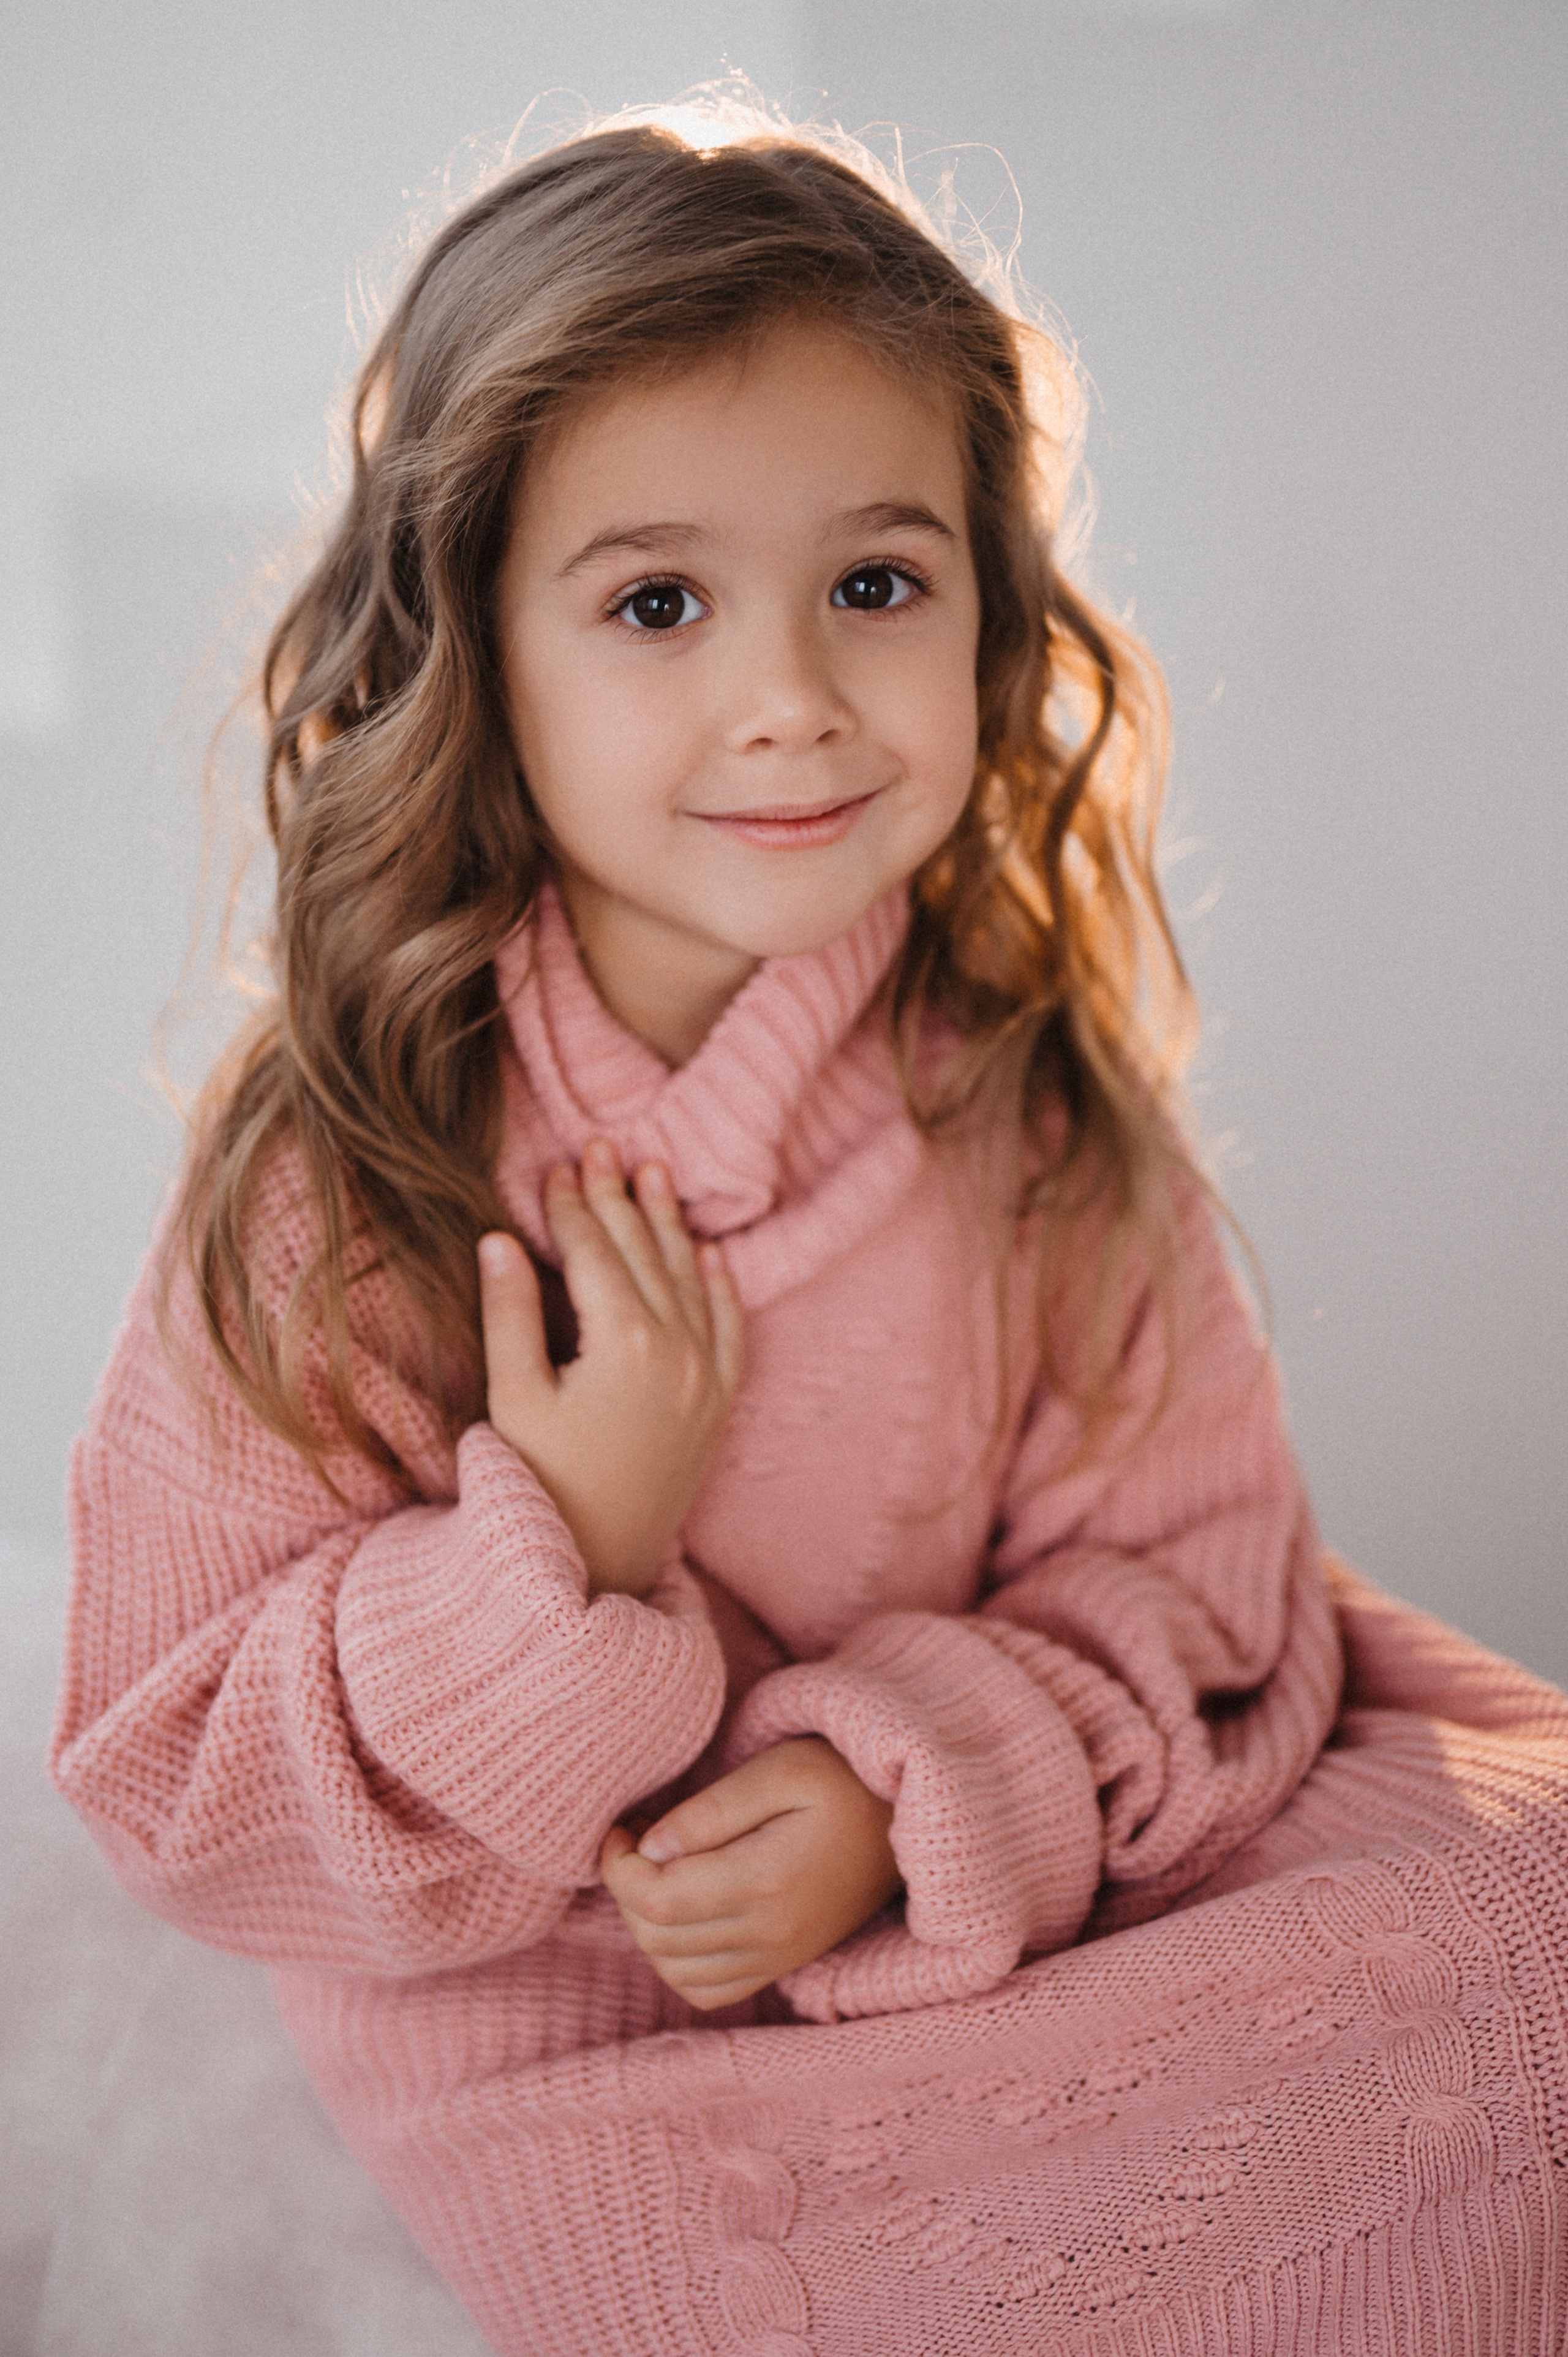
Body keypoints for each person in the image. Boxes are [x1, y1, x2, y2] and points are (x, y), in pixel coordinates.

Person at [50, 97, 1568, 2357]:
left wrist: (899, 1789)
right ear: (476, 650)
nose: (792, 698)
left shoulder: (1023, 1107)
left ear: (987, 608)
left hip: (1033, 1902)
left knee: (1527, 1913)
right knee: (706, 2269)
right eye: (658, 602)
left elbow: (1207, 1578)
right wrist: (555, 1540)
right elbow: (179, 1766)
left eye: (876, 583)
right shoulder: (350, 1169)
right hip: (597, 2026)